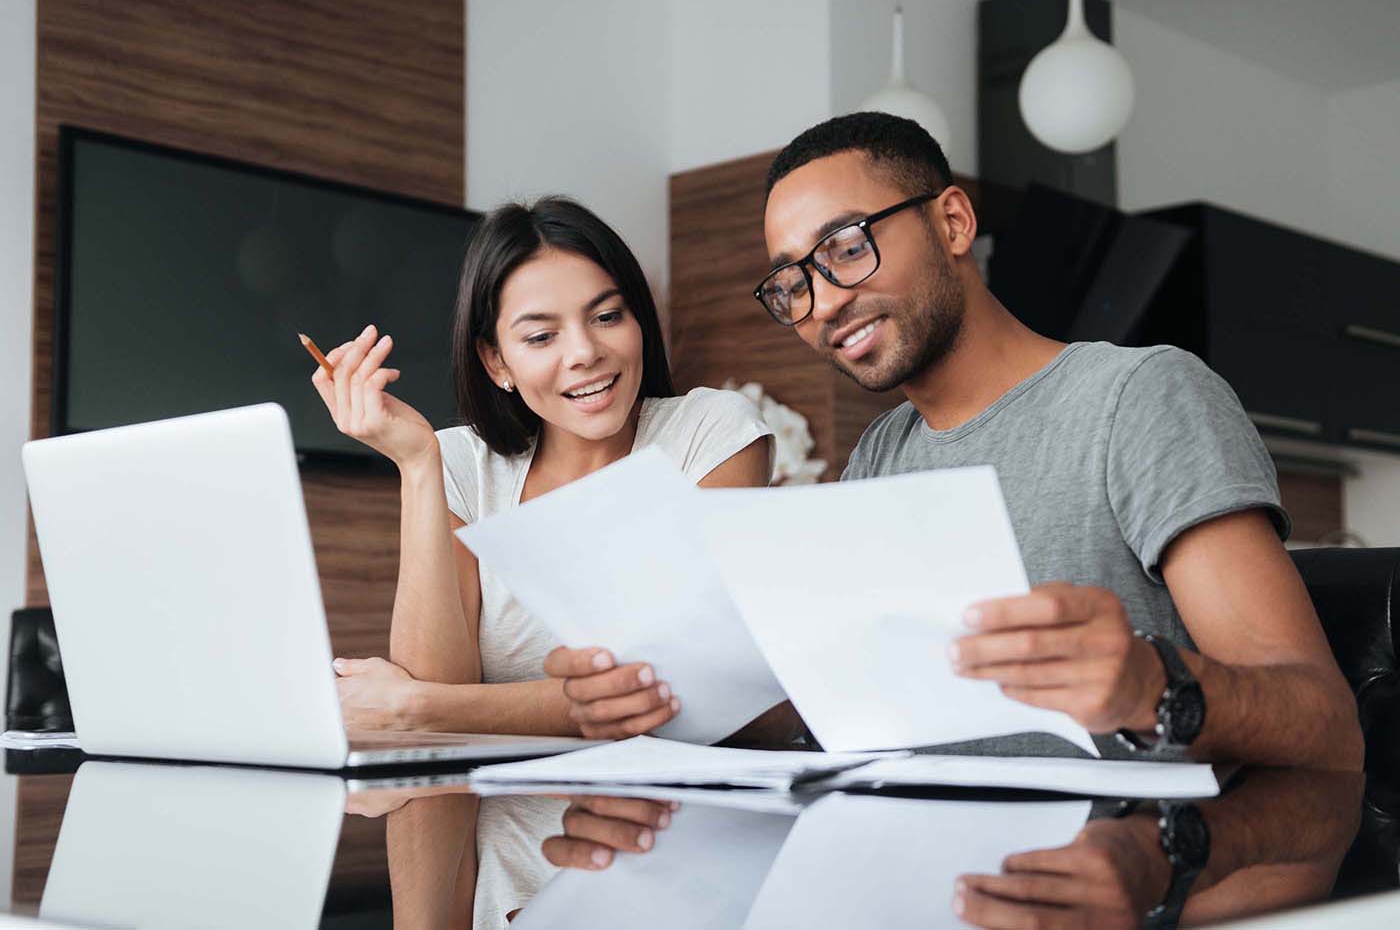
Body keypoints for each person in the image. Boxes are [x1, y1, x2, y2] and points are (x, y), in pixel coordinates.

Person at [549, 113, 1362, 771]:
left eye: (846, 247)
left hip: (1132, 873)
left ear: (952, 220)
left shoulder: (1140, 396)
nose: (823, 302)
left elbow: (1324, 722)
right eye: (793, 283)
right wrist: (657, 698)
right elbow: (842, 718)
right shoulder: (879, 453)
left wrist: (1153, 683)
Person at [309, 195, 774, 927]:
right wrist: (417, 465)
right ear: (496, 361)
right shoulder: (461, 464)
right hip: (510, 897)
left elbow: (666, 696)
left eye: (607, 315)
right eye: (540, 334)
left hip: (679, 885)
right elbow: (438, 757)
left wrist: (414, 707)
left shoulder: (711, 435)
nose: (584, 351)